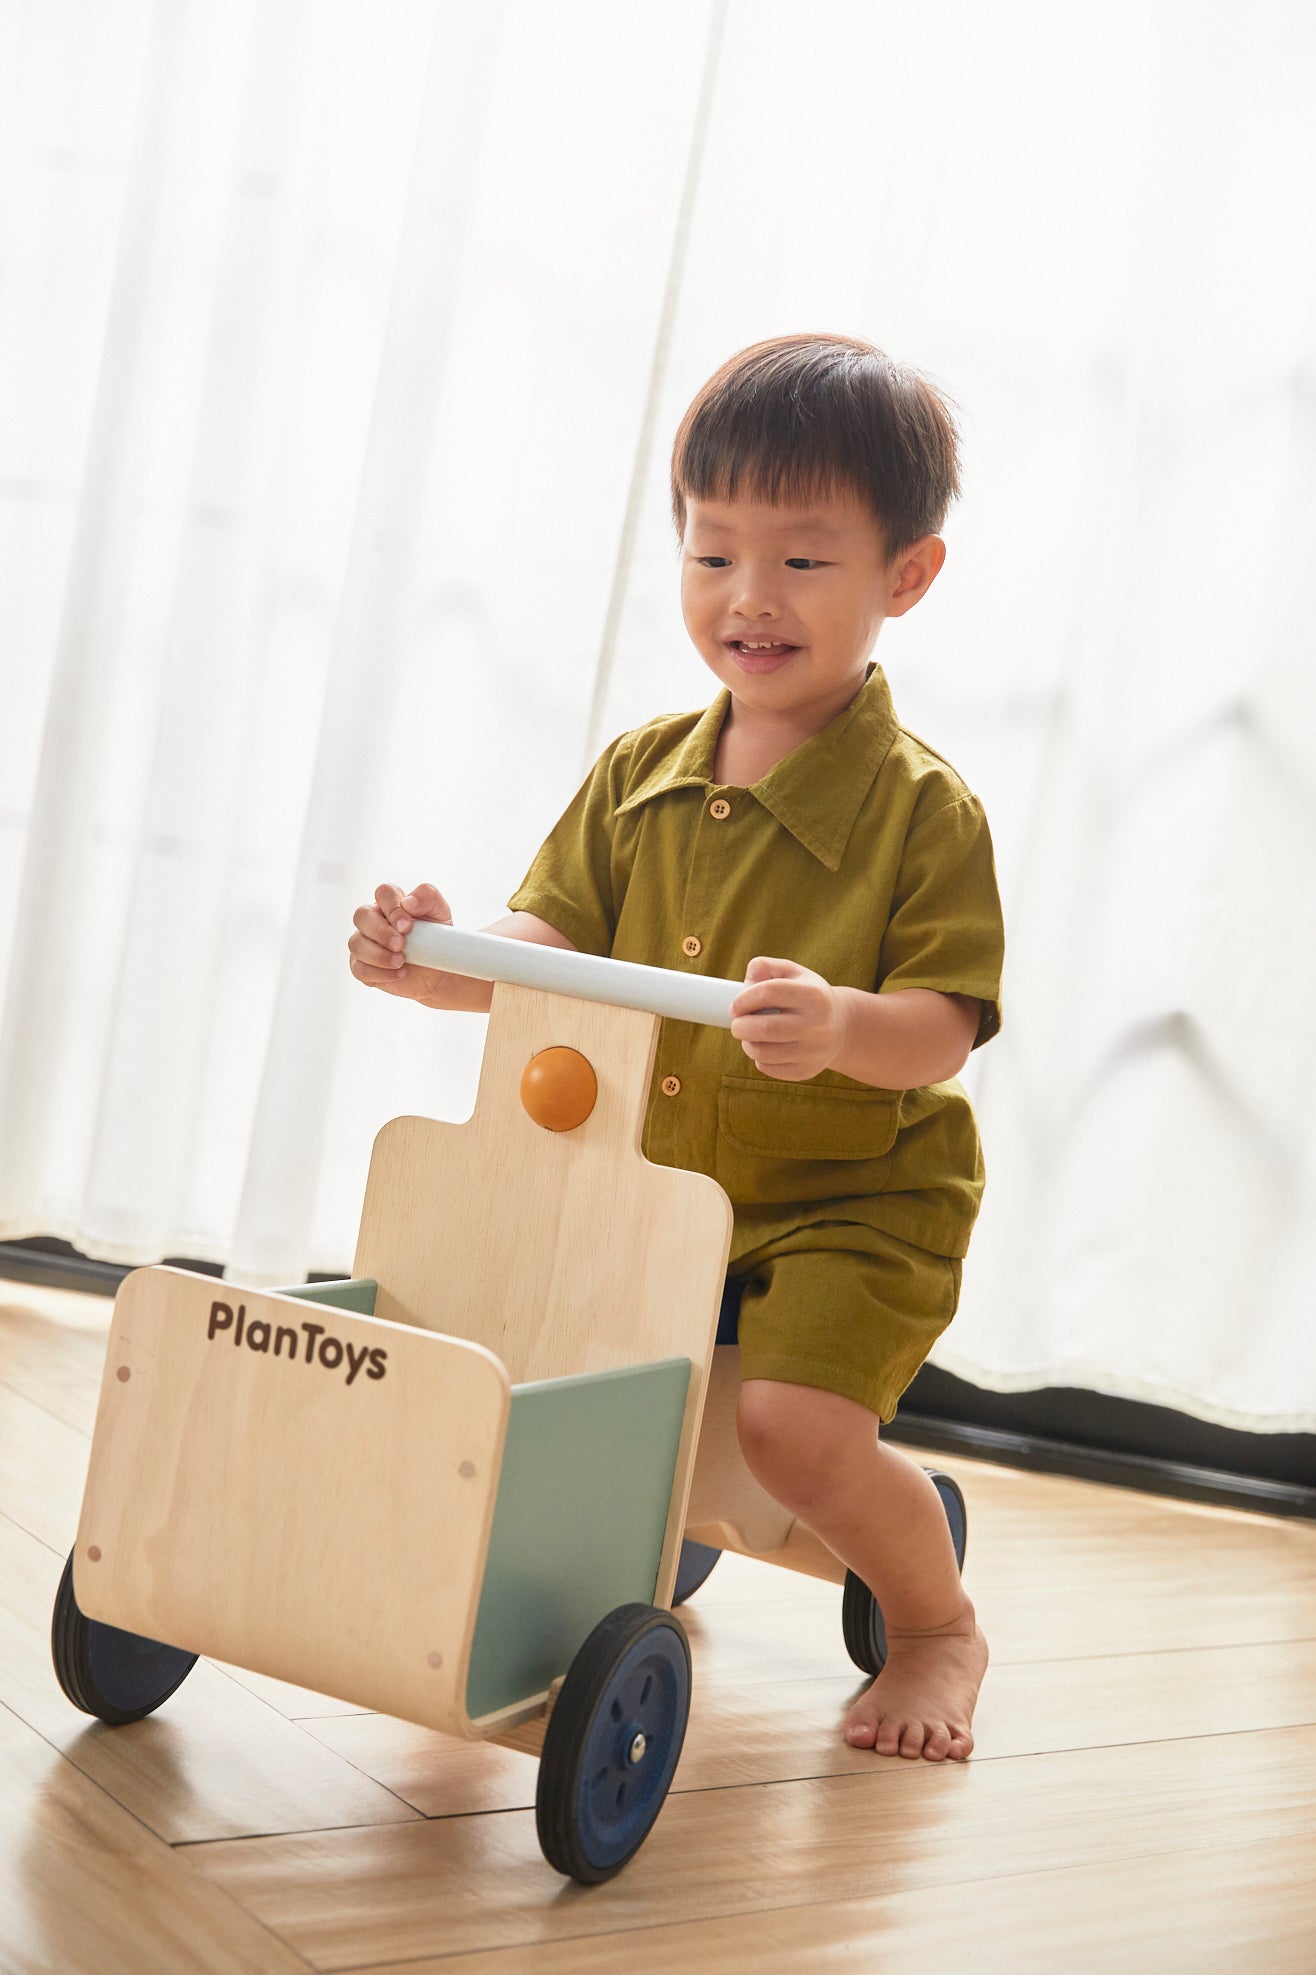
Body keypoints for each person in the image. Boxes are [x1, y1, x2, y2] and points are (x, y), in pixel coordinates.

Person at [348, 333, 1004, 1763]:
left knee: (787, 1434)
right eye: (714, 557)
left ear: (905, 577)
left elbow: (941, 1032)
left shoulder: (921, 811)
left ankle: (940, 1620)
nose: (749, 598)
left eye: (803, 563)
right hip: (658, 1189)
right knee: (547, 1368)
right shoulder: (639, 773)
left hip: (848, 1203)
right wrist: (439, 962)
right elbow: (552, 954)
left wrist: (841, 1025)